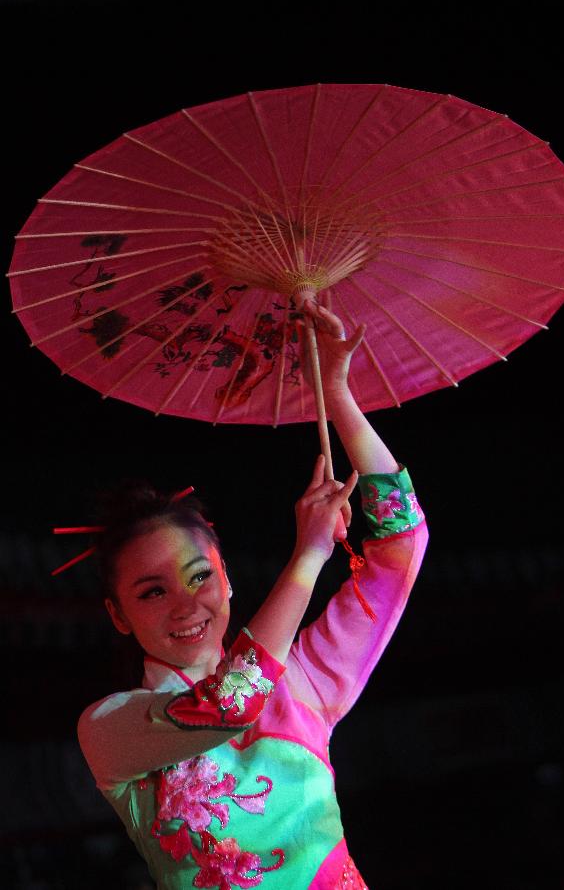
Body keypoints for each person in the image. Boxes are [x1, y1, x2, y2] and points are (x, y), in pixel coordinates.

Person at [77, 301, 429, 889]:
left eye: (200, 576)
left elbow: (401, 546)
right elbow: (226, 706)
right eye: (152, 592)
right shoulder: (110, 727)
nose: (187, 606)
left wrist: (339, 398)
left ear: (228, 577)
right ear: (117, 614)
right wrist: (308, 556)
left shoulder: (301, 684)